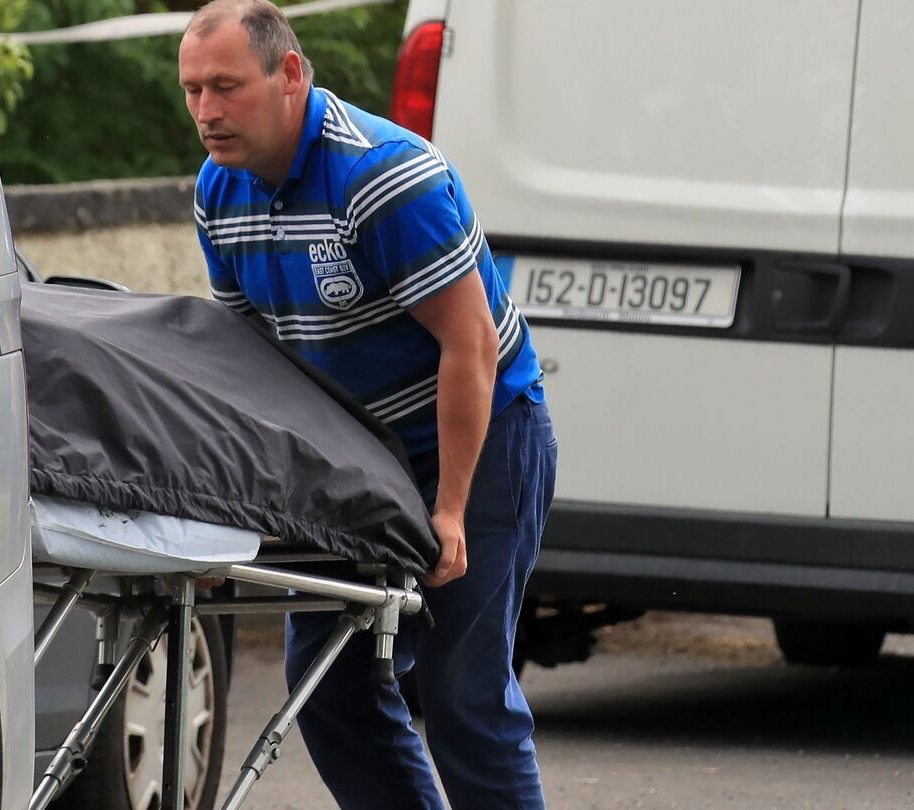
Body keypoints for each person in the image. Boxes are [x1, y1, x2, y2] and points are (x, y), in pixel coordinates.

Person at [178, 2, 558, 807]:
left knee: (464, 697)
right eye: (192, 91)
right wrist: (226, 522)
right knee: (330, 690)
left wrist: (450, 508)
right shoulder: (219, 191)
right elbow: (248, 372)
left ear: (290, 75)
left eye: (226, 86)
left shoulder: (383, 176)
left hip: (481, 434)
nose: (207, 112)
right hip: (355, 450)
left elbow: (473, 346)